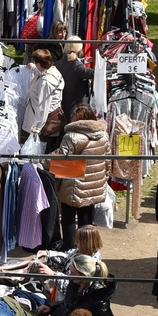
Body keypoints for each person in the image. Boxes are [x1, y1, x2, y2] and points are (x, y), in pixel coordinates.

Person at [54, 104, 111, 250]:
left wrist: (41, 159)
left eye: (74, 114)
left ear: (79, 118)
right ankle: (86, 249)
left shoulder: (72, 136)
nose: (71, 116)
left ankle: (69, 248)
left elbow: (61, 158)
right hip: (94, 183)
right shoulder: (103, 135)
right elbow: (108, 159)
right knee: (86, 218)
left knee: (68, 217)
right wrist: (104, 178)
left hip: (73, 182)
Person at [43, 254, 117, 316]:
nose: (70, 274)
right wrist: (51, 307)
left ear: (84, 276)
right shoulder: (74, 284)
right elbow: (69, 304)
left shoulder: (98, 297)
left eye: (73, 273)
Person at [22, 48, 65, 151]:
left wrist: (36, 128)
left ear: (39, 64)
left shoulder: (46, 82)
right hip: (49, 118)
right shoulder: (53, 71)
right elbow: (42, 73)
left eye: (36, 62)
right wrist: (33, 68)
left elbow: (43, 105)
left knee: (41, 150)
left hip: (44, 123)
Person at [55, 36, 94, 121]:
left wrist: (82, 61)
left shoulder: (59, 64)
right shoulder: (76, 65)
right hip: (76, 109)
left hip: (63, 105)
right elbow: (92, 73)